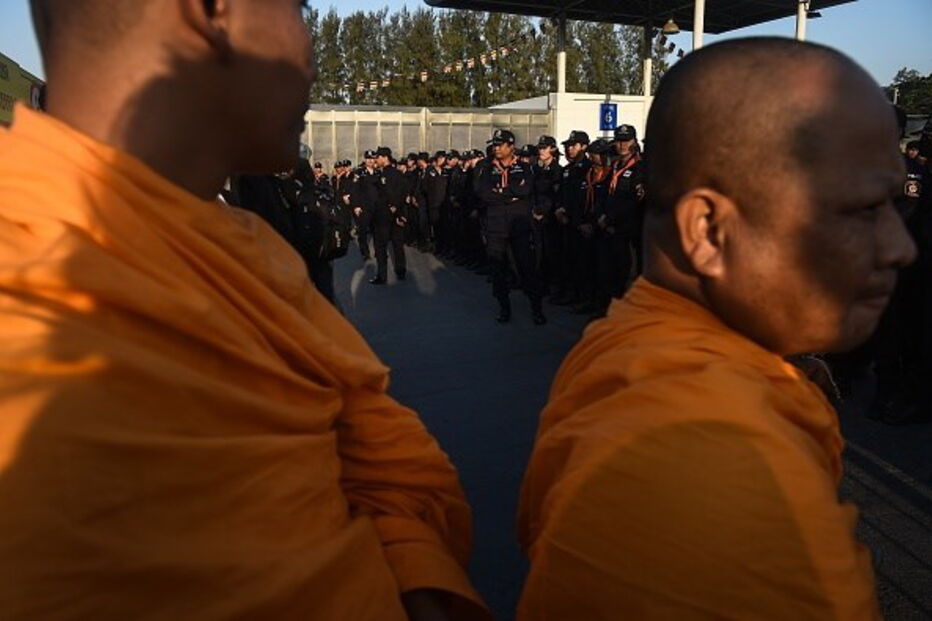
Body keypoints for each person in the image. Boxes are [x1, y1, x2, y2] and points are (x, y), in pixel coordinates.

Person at [0, 1, 487, 619]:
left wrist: (410, 567)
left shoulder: (239, 242)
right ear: (210, 12)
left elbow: (368, 471)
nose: (312, 59)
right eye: (300, 9)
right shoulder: (29, 318)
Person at [518, 38, 914, 619]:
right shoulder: (712, 472)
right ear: (707, 230)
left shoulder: (638, 337)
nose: (901, 248)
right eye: (860, 210)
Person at [474, 129, 546, 325]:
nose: (496, 148)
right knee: (497, 269)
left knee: (527, 267)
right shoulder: (487, 169)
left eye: (500, 145)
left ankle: (536, 309)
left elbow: (526, 189)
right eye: (494, 145)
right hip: (495, 226)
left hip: (519, 226)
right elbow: (483, 193)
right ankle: (504, 308)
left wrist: (501, 192)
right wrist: (511, 194)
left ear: (510, 146)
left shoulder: (524, 168)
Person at [594, 124, 645, 315]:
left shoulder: (640, 167)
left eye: (626, 141)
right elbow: (604, 193)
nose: (622, 145)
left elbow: (633, 201)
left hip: (626, 230)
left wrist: (611, 219)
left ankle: (623, 315)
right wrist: (601, 215)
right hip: (607, 228)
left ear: (634, 141)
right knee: (607, 273)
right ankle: (606, 311)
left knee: (626, 274)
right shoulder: (615, 165)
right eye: (619, 140)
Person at [552, 130, 590, 307]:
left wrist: (577, 218)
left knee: (583, 262)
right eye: (567, 146)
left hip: (580, 221)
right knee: (568, 259)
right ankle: (570, 292)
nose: (569, 149)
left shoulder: (588, 168)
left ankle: (583, 295)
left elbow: (584, 198)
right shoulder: (567, 170)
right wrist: (559, 208)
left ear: (583, 146)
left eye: (573, 146)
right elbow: (561, 193)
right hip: (565, 221)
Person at [370, 147, 407, 285]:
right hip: (396, 214)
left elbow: (388, 193)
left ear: (385, 157)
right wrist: (399, 212)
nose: (376, 160)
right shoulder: (399, 174)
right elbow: (404, 192)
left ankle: (382, 275)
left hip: (384, 215)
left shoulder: (384, 175)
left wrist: (392, 206)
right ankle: (401, 271)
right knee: (398, 244)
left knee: (380, 246)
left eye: (378, 157)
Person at [534, 136, 564, 298]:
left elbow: (554, 195)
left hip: (549, 217)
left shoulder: (556, 170)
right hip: (537, 215)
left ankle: (554, 285)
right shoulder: (538, 170)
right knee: (539, 251)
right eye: (540, 147)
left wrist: (543, 211)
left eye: (544, 148)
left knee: (551, 253)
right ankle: (542, 283)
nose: (541, 151)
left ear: (552, 149)